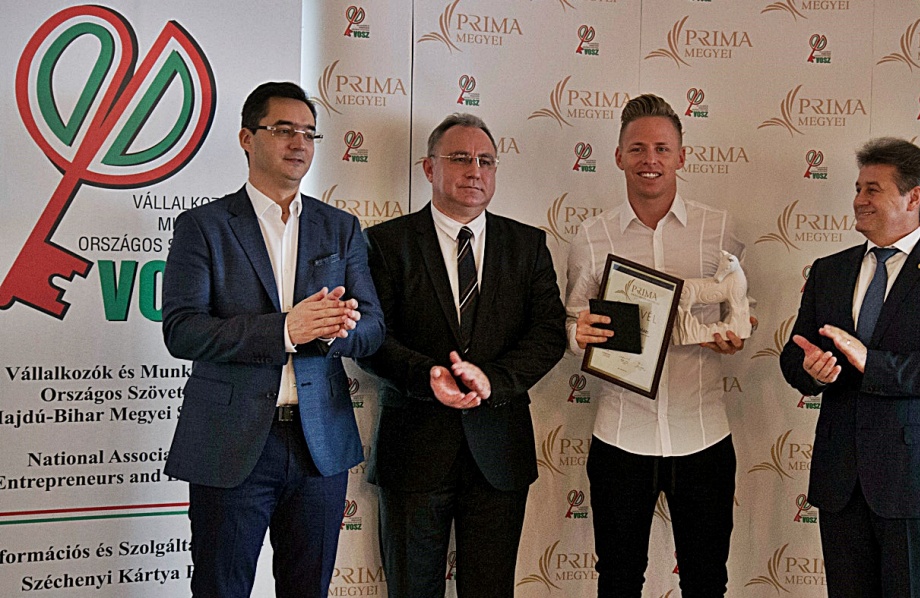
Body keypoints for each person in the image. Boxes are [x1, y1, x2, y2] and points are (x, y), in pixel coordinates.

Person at [161, 81, 384, 597]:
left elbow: (373, 326)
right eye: (283, 129)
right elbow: (182, 329)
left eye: (308, 133)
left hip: (318, 444)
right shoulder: (204, 226)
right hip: (230, 443)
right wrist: (285, 329)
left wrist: (334, 330)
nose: (299, 143)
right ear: (247, 138)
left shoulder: (340, 228)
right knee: (221, 588)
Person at [360, 113, 566, 598]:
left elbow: (549, 333)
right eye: (460, 158)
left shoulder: (527, 244)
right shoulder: (386, 243)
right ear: (429, 168)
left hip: (499, 452)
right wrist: (428, 375)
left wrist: (494, 380)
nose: (475, 170)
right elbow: (371, 337)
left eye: (486, 161)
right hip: (413, 451)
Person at [778, 138, 920, 597]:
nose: (859, 200)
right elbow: (794, 356)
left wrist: (872, 364)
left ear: (914, 198)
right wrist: (812, 371)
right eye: (858, 188)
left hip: (915, 482)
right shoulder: (829, 270)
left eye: (873, 189)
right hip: (840, 480)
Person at [566, 94, 753, 597]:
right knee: (618, 581)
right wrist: (577, 335)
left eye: (662, 149)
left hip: (703, 434)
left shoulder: (720, 228)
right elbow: (573, 319)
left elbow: (738, 305)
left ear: (681, 156)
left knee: (707, 581)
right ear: (618, 156)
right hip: (621, 435)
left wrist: (734, 336)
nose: (650, 160)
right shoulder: (591, 237)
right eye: (638, 148)